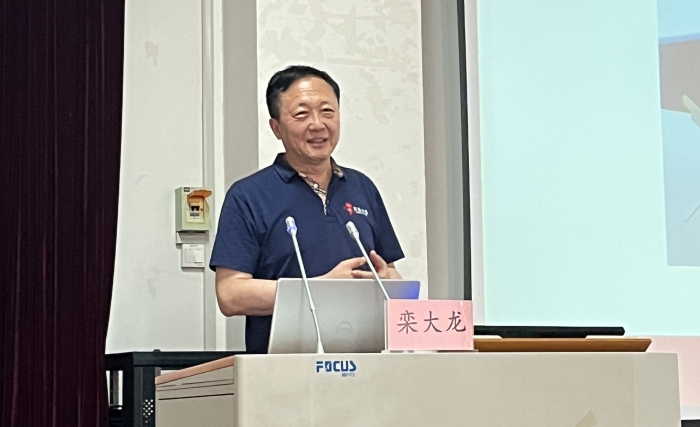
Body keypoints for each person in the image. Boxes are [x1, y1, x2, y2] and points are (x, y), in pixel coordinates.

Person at [209, 65, 404, 353]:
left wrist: (385, 280)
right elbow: (230, 294)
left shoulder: (362, 187)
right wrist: (320, 289)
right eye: (301, 114)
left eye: (328, 112)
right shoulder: (248, 195)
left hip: (367, 365)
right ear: (276, 128)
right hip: (284, 368)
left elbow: (393, 274)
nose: (318, 124)